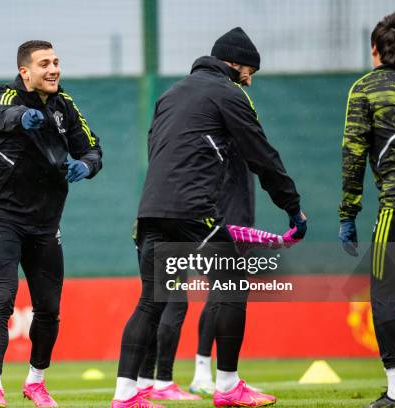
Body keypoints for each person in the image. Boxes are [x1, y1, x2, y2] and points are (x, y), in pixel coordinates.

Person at [111, 27, 307, 408]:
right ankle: (228, 386)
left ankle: (125, 396)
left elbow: (159, 148)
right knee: (232, 285)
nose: (250, 80)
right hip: (192, 212)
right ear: (234, 64)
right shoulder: (229, 93)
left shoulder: (170, 94)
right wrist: (292, 206)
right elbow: (262, 155)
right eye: (250, 71)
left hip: (150, 210)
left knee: (151, 301)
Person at [0, 40, 102, 408]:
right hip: (3, 216)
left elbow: (92, 147)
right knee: (2, 300)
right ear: (25, 71)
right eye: (44, 63)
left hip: (46, 223)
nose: (53, 69)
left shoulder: (65, 105)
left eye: (56, 62)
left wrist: (87, 165)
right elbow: (2, 115)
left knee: (49, 308)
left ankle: (36, 382)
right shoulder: (5, 95)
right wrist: (21, 118)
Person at [135, 145, 256, 401]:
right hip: (184, 222)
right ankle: (166, 381)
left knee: (161, 300)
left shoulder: (176, 139)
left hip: (163, 220)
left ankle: (150, 382)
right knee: (171, 301)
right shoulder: (211, 136)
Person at [338, 11, 395, 408]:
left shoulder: (365, 89)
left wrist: (348, 212)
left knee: (384, 300)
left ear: (376, 49)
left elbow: (353, 155)